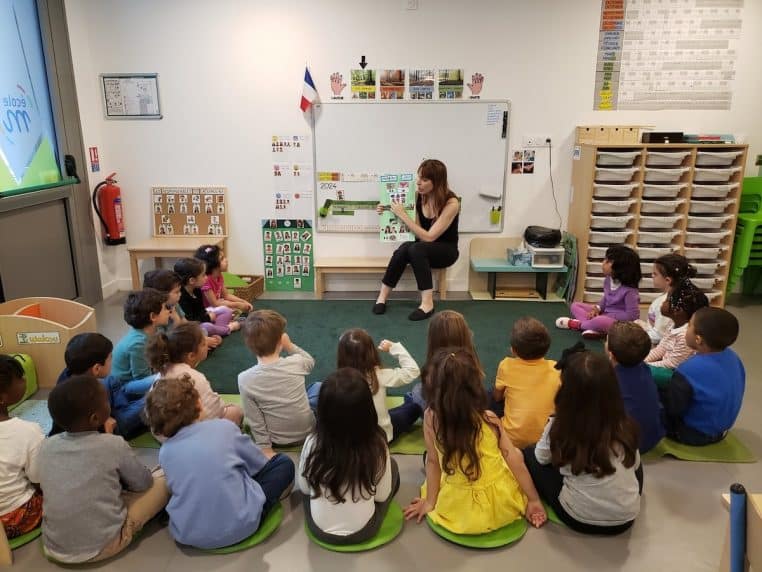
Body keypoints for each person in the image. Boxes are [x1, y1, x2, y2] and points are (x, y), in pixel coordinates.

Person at [403, 349, 546, 533]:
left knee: (433, 458)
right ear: (475, 387)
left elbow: (432, 461)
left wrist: (430, 501)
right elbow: (515, 460)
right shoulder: (490, 418)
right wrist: (533, 500)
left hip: (457, 507)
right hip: (499, 505)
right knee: (514, 452)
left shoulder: (431, 417)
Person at [145, 376, 294, 549]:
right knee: (283, 464)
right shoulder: (224, 427)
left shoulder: (165, 451)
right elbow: (259, 464)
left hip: (188, 534)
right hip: (243, 525)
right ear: (199, 405)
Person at [38, 375, 169, 563]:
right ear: (95, 417)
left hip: (53, 546)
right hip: (103, 545)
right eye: (107, 401)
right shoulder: (113, 444)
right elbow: (143, 483)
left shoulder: (46, 446)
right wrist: (110, 437)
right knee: (163, 477)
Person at [524, 350, 643, 535]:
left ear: (566, 391)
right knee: (631, 460)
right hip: (627, 517)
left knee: (529, 454)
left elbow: (541, 458)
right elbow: (634, 465)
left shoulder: (560, 425)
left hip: (579, 518)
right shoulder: (624, 423)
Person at [298, 368, 399, 544]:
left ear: (322, 410)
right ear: (367, 409)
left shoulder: (312, 441)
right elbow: (382, 496)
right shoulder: (377, 445)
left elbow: (305, 489)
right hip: (364, 530)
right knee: (393, 467)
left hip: (319, 528)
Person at [373, 159, 460, 321]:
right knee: (405, 247)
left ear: (437, 182)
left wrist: (402, 214)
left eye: (425, 180)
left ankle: (427, 304)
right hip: (423, 248)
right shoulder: (419, 196)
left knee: (416, 248)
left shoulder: (451, 203)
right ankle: (382, 297)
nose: (418, 183)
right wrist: (384, 209)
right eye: (419, 177)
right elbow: (413, 227)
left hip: (446, 251)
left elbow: (429, 237)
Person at [658, 307, 745, 446]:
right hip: (721, 429)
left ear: (698, 339)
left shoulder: (689, 369)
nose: (686, 328)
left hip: (693, 434)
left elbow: (673, 408)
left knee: (650, 398)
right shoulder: (734, 357)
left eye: (690, 325)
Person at [388, 310, 483, 434]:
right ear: (465, 335)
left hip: (437, 420)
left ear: (433, 339)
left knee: (416, 391)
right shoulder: (471, 362)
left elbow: (430, 396)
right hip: (465, 416)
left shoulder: (432, 369)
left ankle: (410, 403)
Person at [238, 310, 318, 455]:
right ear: (281, 340)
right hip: (308, 432)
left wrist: (265, 448)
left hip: (277, 440)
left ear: (249, 345)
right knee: (317, 387)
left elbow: (255, 419)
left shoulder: (244, 379)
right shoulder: (296, 362)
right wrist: (290, 346)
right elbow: (310, 361)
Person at [146, 322, 243, 427]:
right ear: (191, 356)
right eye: (203, 343)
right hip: (190, 434)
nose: (207, 343)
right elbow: (215, 411)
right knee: (236, 411)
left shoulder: (163, 371)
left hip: (163, 434)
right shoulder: (194, 377)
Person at [54, 333, 148, 439]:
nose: (112, 361)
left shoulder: (70, 372)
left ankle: (124, 409)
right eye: (110, 358)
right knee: (151, 400)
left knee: (111, 380)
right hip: (108, 426)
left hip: (105, 411)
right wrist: (106, 422)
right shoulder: (81, 395)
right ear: (97, 368)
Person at [336, 329, 420, 442]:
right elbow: (413, 371)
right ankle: (408, 401)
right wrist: (393, 348)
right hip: (379, 439)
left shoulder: (335, 382)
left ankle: (406, 402)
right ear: (371, 351)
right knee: (414, 408)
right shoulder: (380, 376)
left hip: (351, 441)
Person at [492, 317, 561, 449]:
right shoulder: (556, 368)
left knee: (490, 395)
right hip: (545, 441)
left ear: (513, 350)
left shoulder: (506, 365)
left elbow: (497, 397)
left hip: (512, 440)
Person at [0, 355, 44, 540]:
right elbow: (39, 479)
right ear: (2, 397)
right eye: (19, 377)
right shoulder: (27, 431)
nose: (25, 380)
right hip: (13, 517)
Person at [556, 245, 641, 339]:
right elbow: (606, 299)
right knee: (575, 305)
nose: (603, 262)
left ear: (621, 269)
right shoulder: (608, 280)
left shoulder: (630, 291)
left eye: (608, 261)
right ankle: (593, 328)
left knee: (600, 321)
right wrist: (597, 309)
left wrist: (610, 316)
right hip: (605, 314)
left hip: (620, 325)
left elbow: (632, 316)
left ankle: (578, 325)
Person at [606, 322, 665, 453]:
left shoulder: (608, 379)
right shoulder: (644, 367)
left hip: (627, 446)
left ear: (611, 354)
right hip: (652, 439)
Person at [645, 285, 708, 386]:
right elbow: (661, 349)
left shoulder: (685, 336)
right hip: (664, 365)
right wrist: (642, 360)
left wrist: (645, 366)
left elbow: (672, 364)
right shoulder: (673, 323)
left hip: (674, 375)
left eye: (667, 300)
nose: (662, 302)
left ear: (678, 311)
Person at [111, 288, 169, 393]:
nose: (169, 311)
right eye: (165, 308)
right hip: (124, 388)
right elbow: (141, 378)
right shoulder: (138, 343)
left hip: (135, 381)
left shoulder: (147, 332)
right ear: (153, 316)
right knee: (163, 378)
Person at [174, 257, 235, 340]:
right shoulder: (181, 296)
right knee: (207, 327)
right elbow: (190, 321)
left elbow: (202, 310)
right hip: (193, 327)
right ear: (192, 280)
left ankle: (216, 332)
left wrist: (207, 315)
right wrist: (208, 317)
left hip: (203, 318)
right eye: (203, 275)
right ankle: (229, 328)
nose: (206, 277)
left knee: (226, 310)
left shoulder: (197, 289)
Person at [194, 244, 253, 313]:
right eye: (222, 259)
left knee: (229, 306)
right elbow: (215, 304)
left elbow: (226, 295)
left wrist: (243, 301)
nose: (226, 260)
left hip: (217, 307)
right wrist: (237, 305)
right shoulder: (206, 280)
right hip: (208, 312)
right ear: (213, 264)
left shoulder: (219, 275)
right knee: (228, 309)